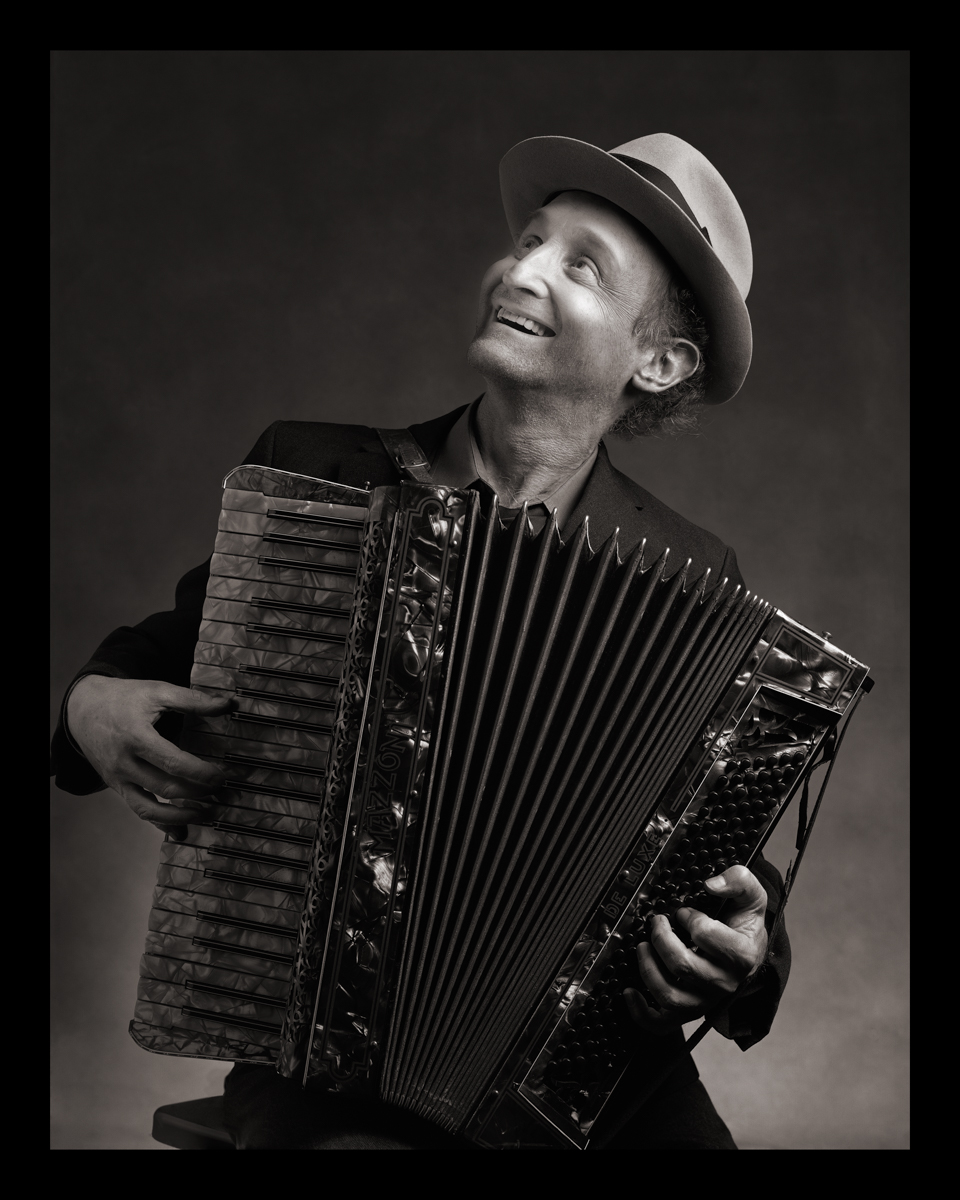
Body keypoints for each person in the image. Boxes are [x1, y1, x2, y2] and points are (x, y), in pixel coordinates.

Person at [52, 133, 790, 1149]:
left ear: (657, 362)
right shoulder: (317, 476)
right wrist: (88, 705)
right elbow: (159, 653)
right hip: (322, 1046)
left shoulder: (695, 575)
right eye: (529, 241)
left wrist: (748, 945)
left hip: (582, 1066)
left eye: (580, 266)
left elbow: (720, 853)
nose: (520, 270)